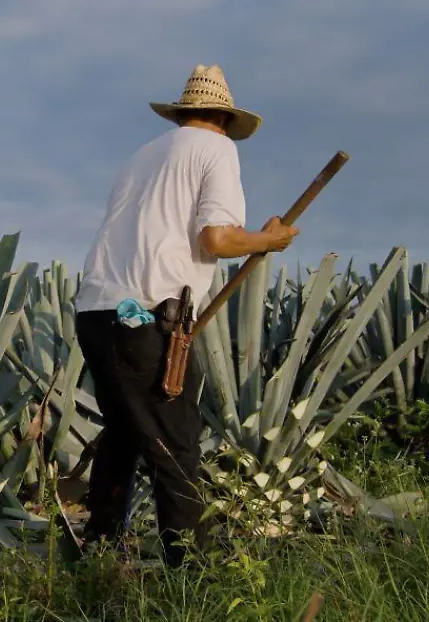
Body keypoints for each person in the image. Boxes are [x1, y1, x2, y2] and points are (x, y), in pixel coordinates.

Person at [72, 64, 299, 567]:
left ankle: (101, 549)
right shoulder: (217, 150)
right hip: (149, 317)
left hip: (95, 311)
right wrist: (270, 240)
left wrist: (258, 238)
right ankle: (192, 571)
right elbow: (216, 239)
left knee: (125, 431)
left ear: (183, 114)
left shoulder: (141, 157)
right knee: (175, 444)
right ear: (223, 117)